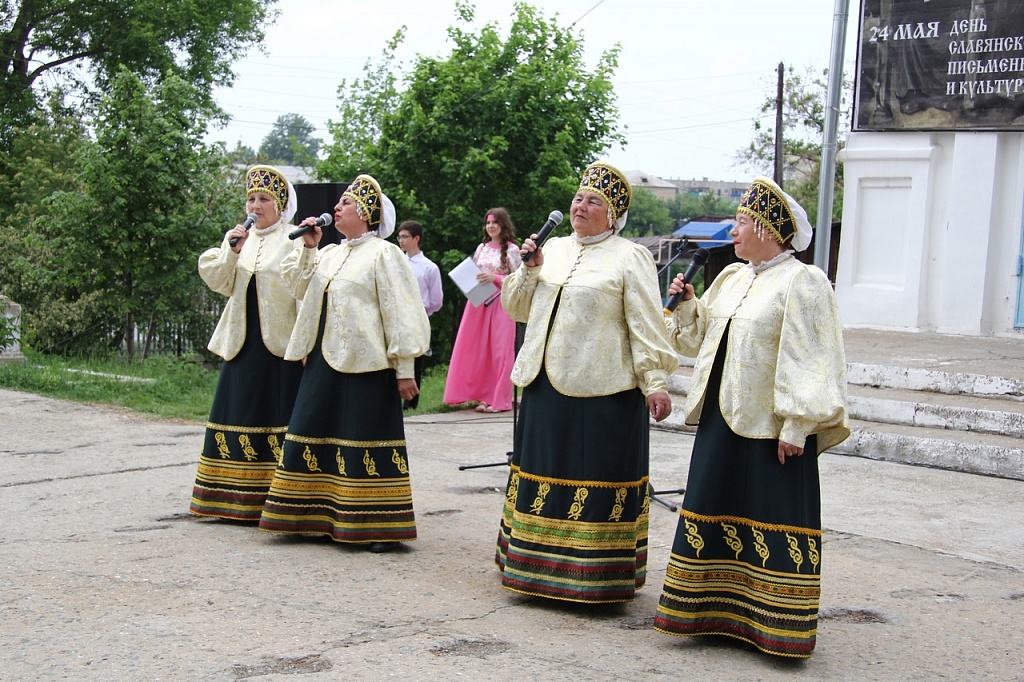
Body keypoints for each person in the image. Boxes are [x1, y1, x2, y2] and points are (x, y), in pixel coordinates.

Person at [653, 176, 850, 657]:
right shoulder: (732, 278)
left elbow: (813, 356)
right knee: (716, 506)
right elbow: (698, 343)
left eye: (741, 222)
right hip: (723, 419)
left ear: (767, 227)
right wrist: (689, 306)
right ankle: (710, 614)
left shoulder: (803, 281)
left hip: (772, 428)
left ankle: (774, 626)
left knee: (770, 514)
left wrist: (799, 423)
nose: (733, 231)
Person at [495, 161, 679, 603]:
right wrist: (530, 269)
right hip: (545, 387)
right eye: (578, 197)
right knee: (543, 474)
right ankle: (532, 570)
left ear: (613, 215)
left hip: (603, 393)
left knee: (590, 478)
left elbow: (646, 325)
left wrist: (654, 381)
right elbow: (516, 308)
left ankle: (592, 578)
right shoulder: (552, 248)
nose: (581, 205)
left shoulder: (629, 257)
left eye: (594, 200)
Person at [258, 175, 430, 552]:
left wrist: (404, 369)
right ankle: (309, 516)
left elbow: (400, 312)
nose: (337, 208)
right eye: (339, 203)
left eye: (347, 203)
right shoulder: (330, 253)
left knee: (364, 438)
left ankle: (377, 527)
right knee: (312, 429)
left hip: (368, 365)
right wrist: (308, 247)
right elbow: (297, 287)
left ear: (367, 213)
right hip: (323, 358)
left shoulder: (386, 254)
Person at [190, 165, 305, 521]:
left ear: (280, 205)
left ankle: (276, 499)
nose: (256, 205)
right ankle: (227, 499)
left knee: (277, 415)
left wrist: (304, 343)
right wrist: (231, 250)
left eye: (264, 199)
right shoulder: (240, 239)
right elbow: (220, 282)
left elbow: (304, 292)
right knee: (237, 411)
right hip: (242, 341)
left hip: (280, 343)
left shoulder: (295, 238)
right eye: (252, 198)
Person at [443, 208, 521, 413]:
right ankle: (484, 396)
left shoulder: (513, 250)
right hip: (478, 301)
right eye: (488, 223)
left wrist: (495, 278)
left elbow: (520, 282)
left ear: (503, 225)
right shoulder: (482, 248)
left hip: (501, 303)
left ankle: (499, 400)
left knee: (500, 351)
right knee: (479, 350)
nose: (491, 226)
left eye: (495, 222)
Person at [397, 220, 443, 410]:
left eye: (405, 237)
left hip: (418, 315)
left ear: (416, 238)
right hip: (398, 314)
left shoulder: (428, 267)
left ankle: (411, 402)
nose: (401, 241)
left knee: (416, 357)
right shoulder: (396, 261)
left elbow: (436, 299)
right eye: (399, 237)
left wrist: (425, 312)